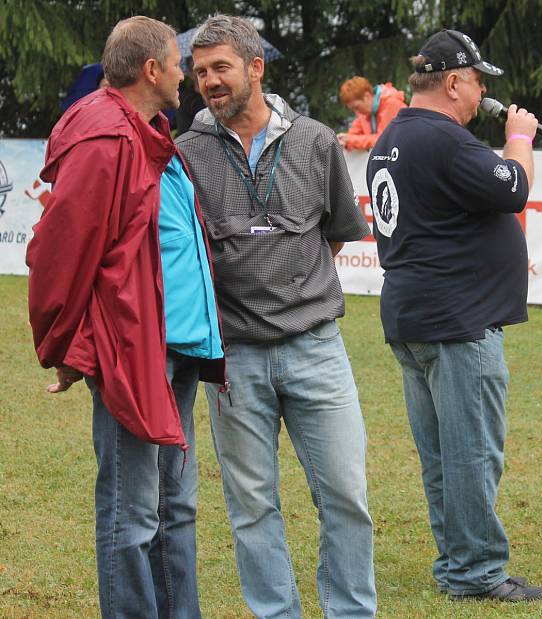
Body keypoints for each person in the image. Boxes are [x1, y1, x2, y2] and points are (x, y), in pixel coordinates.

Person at [175, 15, 376, 619]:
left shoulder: (316, 140)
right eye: (201, 71)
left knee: (346, 495)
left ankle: (350, 612)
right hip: (233, 356)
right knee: (252, 504)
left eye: (221, 68)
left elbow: (337, 234)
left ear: (255, 67)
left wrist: (295, 287)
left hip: (317, 346)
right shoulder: (186, 153)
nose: (209, 81)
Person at [26, 16, 225, 618]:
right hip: (134, 353)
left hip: (179, 350)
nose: (185, 74)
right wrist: (65, 346)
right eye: (178, 62)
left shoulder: (150, 133)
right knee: (131, 512)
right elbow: (62, 252)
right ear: (151, 70)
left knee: (174, 508)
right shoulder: (106, 137)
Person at [366, 29, 542, 602]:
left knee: (443, 455)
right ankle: (475, 573)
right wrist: (519, 136)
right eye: (476, 82)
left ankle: (458, 564)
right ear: (452, 82)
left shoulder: (394, 136)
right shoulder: (443, 139)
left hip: (415, 316)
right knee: (470, 453)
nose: (480, 95)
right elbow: (514, 187)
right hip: (458, 321)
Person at [337, 76, 406, 151]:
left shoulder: (391, 104)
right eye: (353, 109)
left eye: (357, 107)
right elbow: (352, 136)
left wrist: (350, 139)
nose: (356, 112)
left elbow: (384, 140)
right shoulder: (365, 112)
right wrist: (343, 140)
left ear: (366, 96)